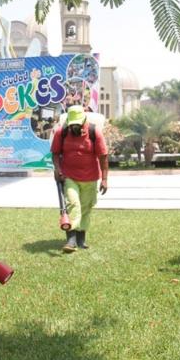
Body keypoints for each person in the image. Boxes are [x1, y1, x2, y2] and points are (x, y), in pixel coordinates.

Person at [50, 105, 109, 253]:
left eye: (78, 124)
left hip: (90, 177)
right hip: (69, 175)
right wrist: (58, 169)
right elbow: (55, 153)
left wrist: (104, 179)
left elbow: (103, 157)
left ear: (84, 120)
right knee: (72, 204)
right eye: (72, 125)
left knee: (86, 207)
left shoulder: (94, 132)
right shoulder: (61, 132)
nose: (75, 128)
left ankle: (81, 238)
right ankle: (71, 239)